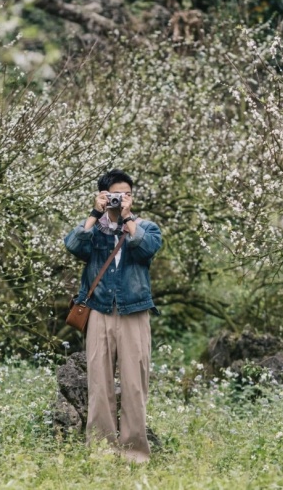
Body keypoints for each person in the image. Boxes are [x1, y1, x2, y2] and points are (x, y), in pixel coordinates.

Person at [64, 168, 163, 463]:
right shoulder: (94, 230)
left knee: (134, 384)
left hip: (134, 311)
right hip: (99, 311)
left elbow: (147, 249)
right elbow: (73, 244)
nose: (122, 199)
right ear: (104, 196)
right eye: (116, 194)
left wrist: (129, 219)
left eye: (127, 194)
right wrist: (94, 214)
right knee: (99, 383)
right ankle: (101, 451)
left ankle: (135, 453)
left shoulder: (146, 226)